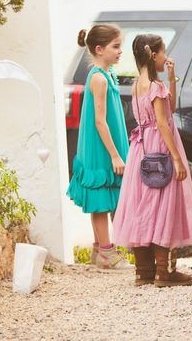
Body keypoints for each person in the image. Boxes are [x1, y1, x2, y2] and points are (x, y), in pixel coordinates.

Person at [112, 34, 192, 287]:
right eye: (163, 53)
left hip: (140, 149)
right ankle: (164, 272)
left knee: (142, 204)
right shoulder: (155, 86)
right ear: (153, 55)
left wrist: (171, 79)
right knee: (163, 203)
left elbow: (167, 108)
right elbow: (163, 121)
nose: (166, 57)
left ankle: (144, 271)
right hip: (160, 148)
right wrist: (176, 158)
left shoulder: (139, 84)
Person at [67, 25, 131, 270]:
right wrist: (115, 155)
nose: (120, 52)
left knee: (103, 197)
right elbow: (99, 121)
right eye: (116, 47)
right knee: (101, 198)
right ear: (99, 49)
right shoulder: (98, 78)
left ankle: (98, 249)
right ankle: (106, 252)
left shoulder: (106, 74)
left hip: (106, 145)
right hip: (101, 147)